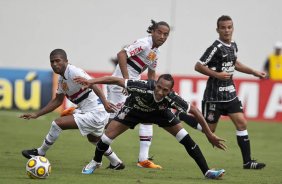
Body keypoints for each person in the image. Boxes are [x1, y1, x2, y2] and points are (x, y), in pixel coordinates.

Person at [74, 74, 227, 179]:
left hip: (160, 113)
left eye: (165, 90)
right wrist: (92, 81)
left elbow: (194, 111)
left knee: (185, 138)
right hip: (134, 110)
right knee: (106, 138)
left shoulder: (172, 98)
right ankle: (95, 162)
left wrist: (209, 135)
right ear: (156, 84)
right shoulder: (143, 86)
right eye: (158, 87)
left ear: (170, 90)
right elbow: (116, 80)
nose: (160, 92)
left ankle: (207, 172)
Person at [179, 15, 266, 170]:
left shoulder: (233, 45)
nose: (226, 30)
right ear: (217, 29)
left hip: (230, 94)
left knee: (242, 123)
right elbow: (198, 66)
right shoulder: (215, 48)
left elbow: (235, 63)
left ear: (233, 28)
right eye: (223, 27)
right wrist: (217, 75)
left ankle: (247, 162)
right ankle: (180, 115)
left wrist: (253, 71)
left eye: (229, 27)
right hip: (214, 96)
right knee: (210, 130)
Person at [20, 49, 124, 170]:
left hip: (96, 113)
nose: (54, 64)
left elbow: (93, 84)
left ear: (66, 61)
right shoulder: (61, 79)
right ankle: (116, 162)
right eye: (52, 62)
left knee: (57, 124)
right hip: (90, 112)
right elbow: (57, 101)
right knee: (94, 139)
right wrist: (36, 114)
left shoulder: (74, 72)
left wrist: (105, 103)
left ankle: (40, 152)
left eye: (57, 61)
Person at [107, 20, 170, 169]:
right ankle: (83, 116)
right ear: (153, 32)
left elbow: (152, 72)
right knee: (111, 125)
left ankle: (143, 159)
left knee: (147, 112)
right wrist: (127, 80)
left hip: (134, 84)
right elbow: (121, 54)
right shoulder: (144, 43)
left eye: (165, 34)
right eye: (159, 32)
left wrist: (153, 90)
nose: (162, 36)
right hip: (121, 85)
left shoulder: (156, 51)